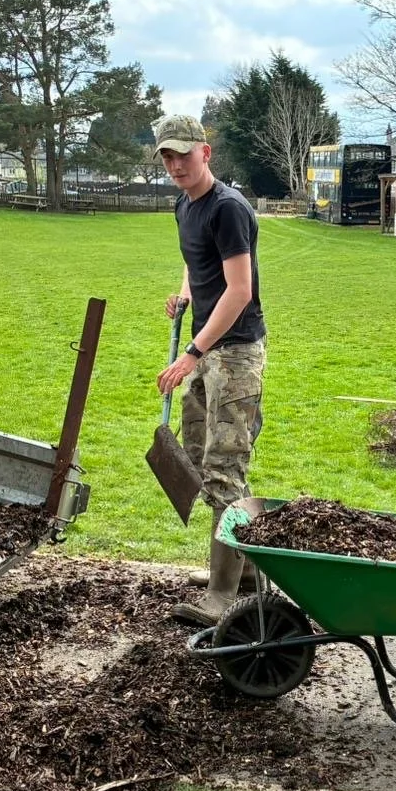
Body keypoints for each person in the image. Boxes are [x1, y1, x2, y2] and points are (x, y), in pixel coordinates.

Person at [151, 113, 267, 626]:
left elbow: (239, 291)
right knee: (200, 456)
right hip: (205, 349)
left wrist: (191, 353)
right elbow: (198, 262)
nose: (175, 164)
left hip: (234, 352)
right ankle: (240, 572)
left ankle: (223, 594)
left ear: (206, 152)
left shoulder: (228, 208)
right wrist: (185, 292)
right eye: (167, 156)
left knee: (225, 468)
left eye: (183, 153)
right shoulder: (185, 203)